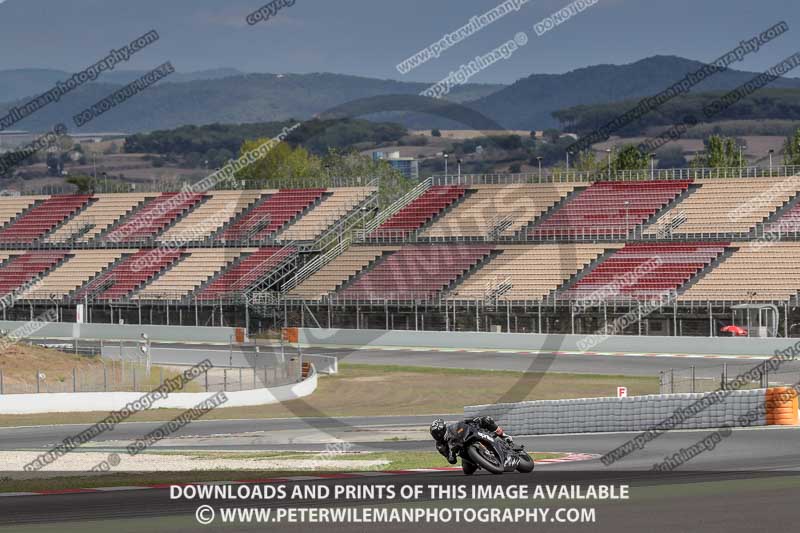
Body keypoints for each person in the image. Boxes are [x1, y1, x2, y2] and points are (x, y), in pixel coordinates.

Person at [429, 416, 513, 464]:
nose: (438, 435)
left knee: (486, 420)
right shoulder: (440, 446)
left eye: (439, 433)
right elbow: (451, 460)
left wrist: (473, 421)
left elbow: (464, 423)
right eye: (435, 434)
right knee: (467, 470)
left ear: (444, 428)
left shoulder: (452, 428)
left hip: (470, 436)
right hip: (464, 452)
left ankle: (504, 436)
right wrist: (451, 455)